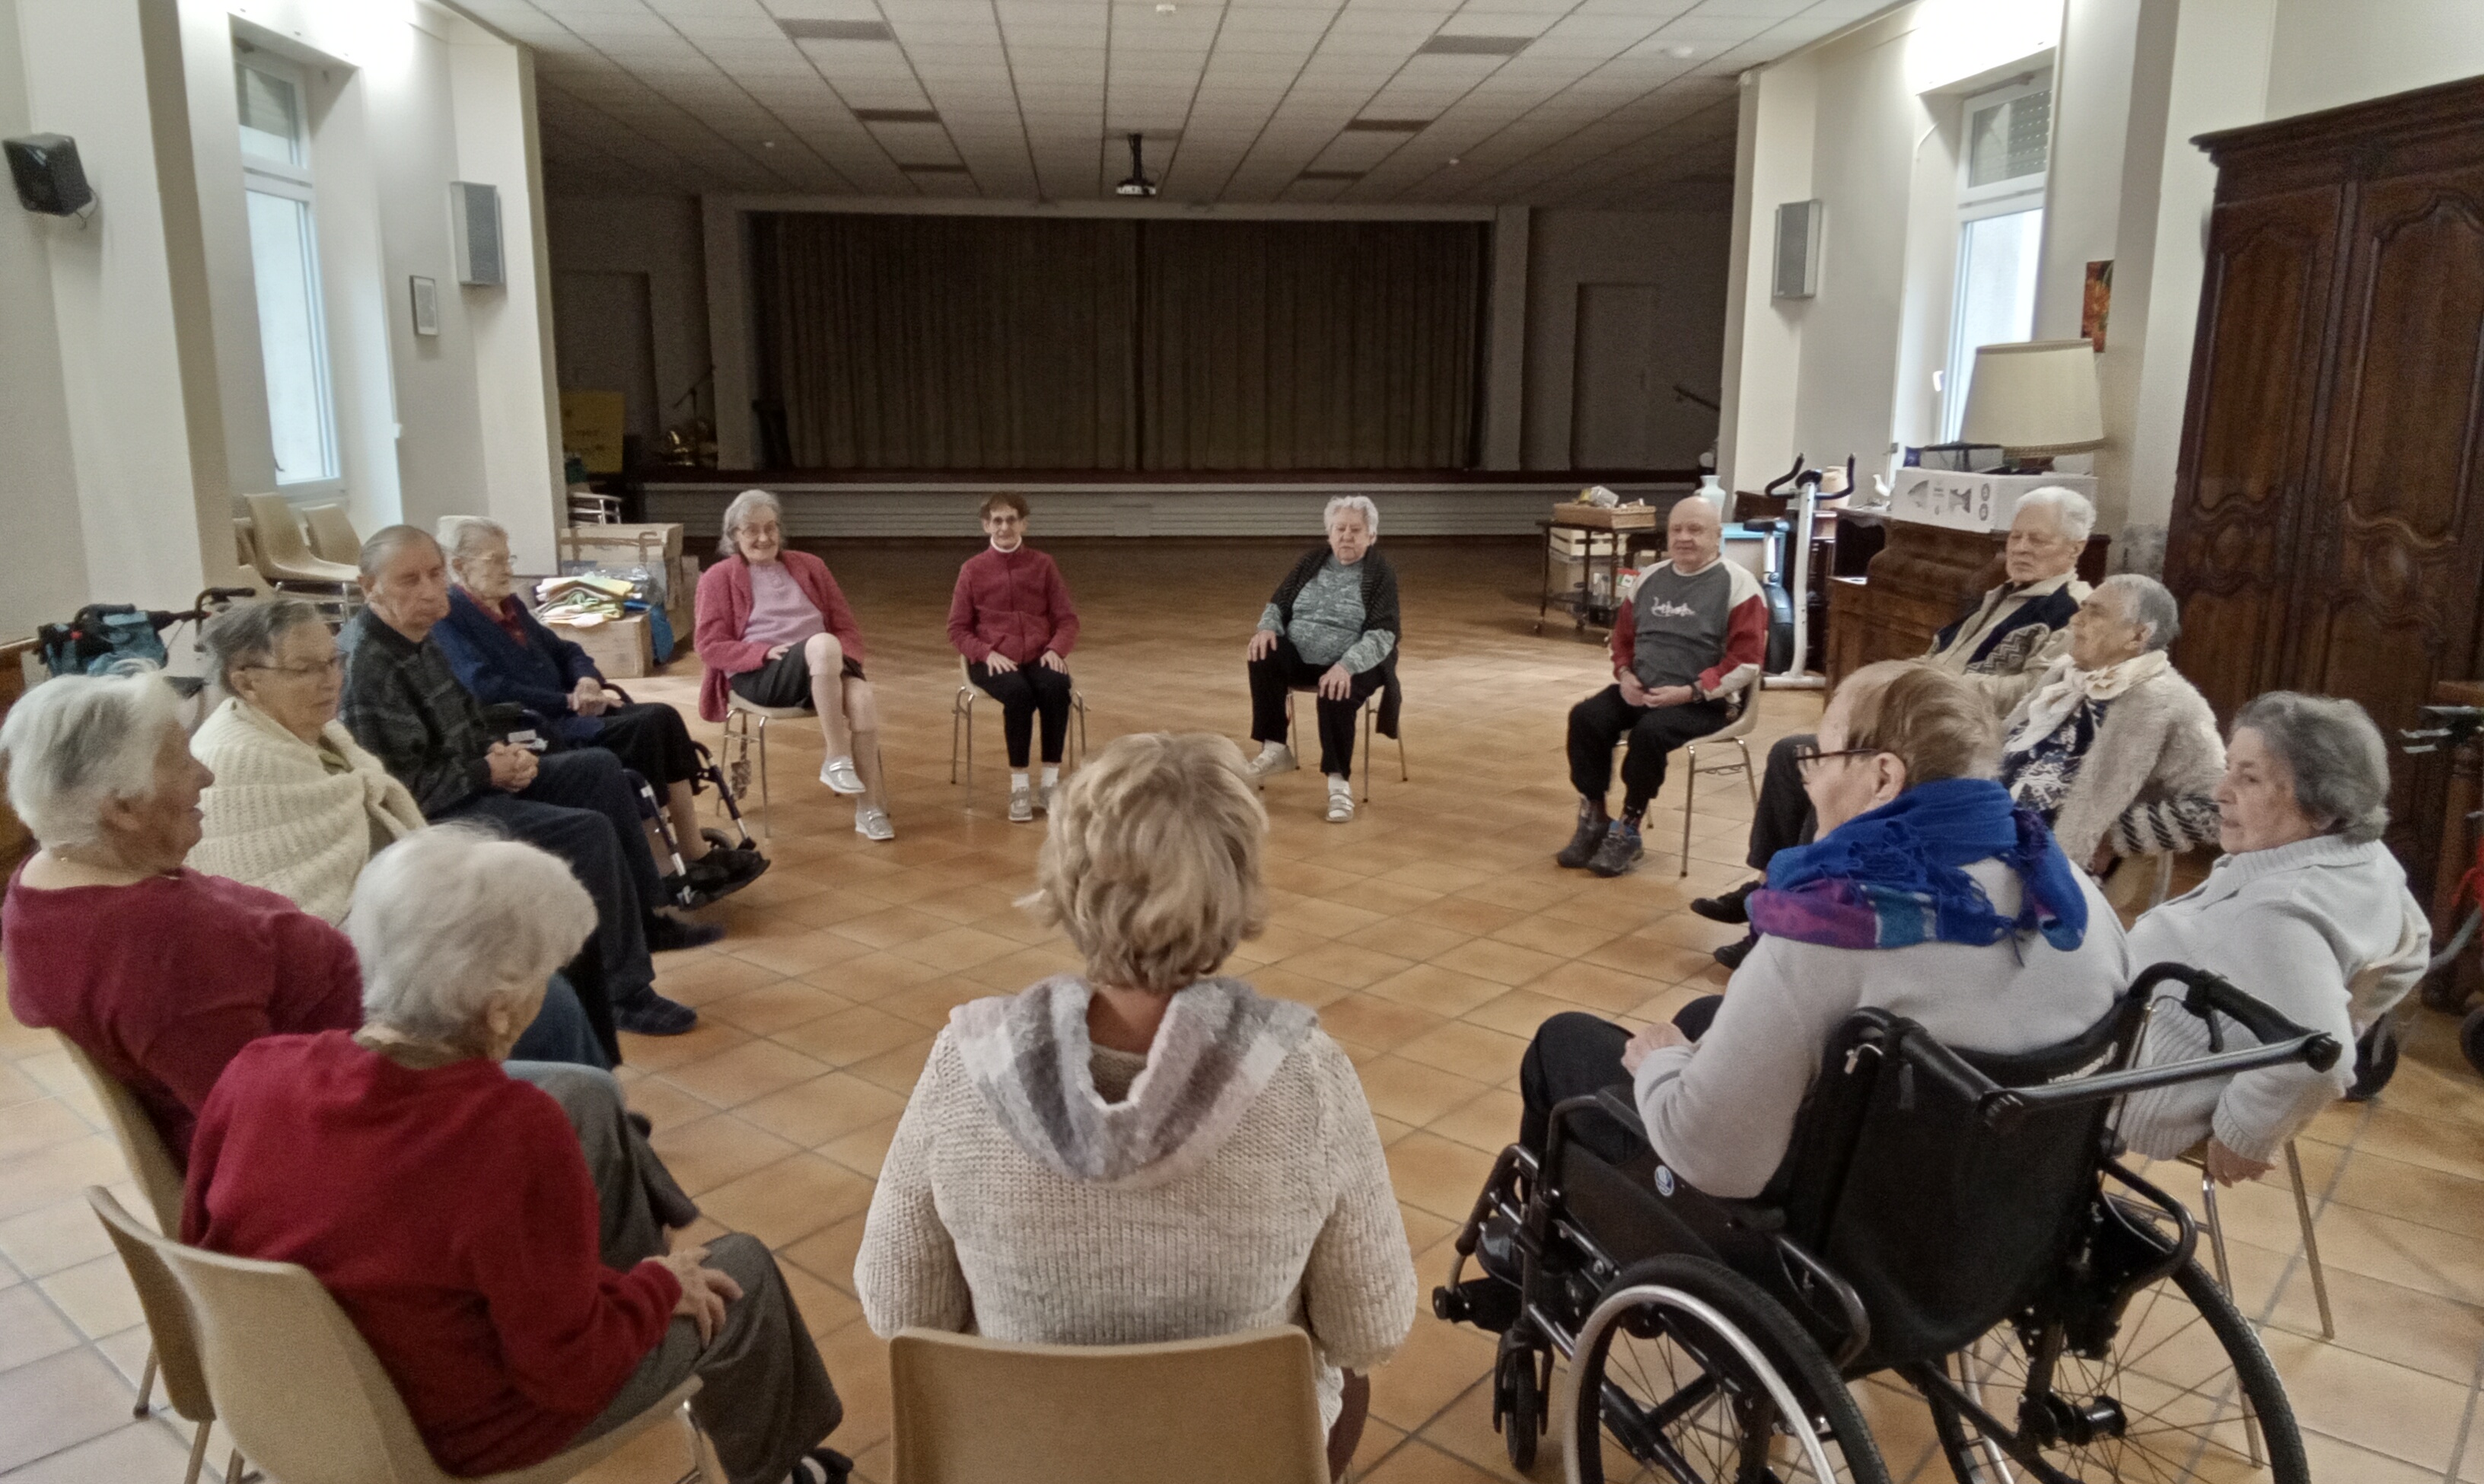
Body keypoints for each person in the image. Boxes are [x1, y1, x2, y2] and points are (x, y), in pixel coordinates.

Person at [183, 827, 848, 1484]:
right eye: (546, 976)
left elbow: (201, 1241)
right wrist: (656, 1289)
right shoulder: (512, 1132)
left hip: (293, 1398)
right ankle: (787, 1472)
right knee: (743, 1271)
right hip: (457, 1429)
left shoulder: (256, 1070)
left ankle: (617, 1286)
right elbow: (566, 1375)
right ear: (500, 1009)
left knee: (590, 1113)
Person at [856, 733, 1416, 1481]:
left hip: (1026, 1458)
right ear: (1236, 881)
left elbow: (897, 1312)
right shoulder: (1306, 1079)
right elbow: (1368, 1332)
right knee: (1349, 1386)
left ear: (1068, 876)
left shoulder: (966, 1067)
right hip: (1235, 1461)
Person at [0, 675, 676, 1256]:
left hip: (351, 1039)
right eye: (182, 761)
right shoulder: (158, 948)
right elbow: (274, 1128)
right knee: (566, 1054)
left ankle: (617, 1188)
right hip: (370, 1100)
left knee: (547, 1006)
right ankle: (615, 1288)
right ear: (121, 807)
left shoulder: (47, 882)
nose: (205, 773)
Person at [1511, 661, 2129, 1202]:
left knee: (1561, 1042)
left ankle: (1524, 1258)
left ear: (1883, 777)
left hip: (1842, 1231)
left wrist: (1660, 1065)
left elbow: (1714, 1160)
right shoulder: (2067, 891)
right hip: (1999, 1207)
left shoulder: (1835, 927)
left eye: (1821, 757)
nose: (1807, 777)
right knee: (1709, 1013)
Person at [186, 597, 611, 1066]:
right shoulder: (232, 759)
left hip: (394, 916)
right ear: (246, 679)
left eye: (333, 660)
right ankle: (574, 1103)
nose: (331, 679)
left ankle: (601, 1101)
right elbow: (290, 910)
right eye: (306, 668)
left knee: (546, 928)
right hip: (346, 966)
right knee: (544, 996)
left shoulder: (321, 733)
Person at [1696, 486, 2098, 965]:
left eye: (2039, 540)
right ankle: (1767, 883)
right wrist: (1905, 679)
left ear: (2075, 549)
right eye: (2015, 537)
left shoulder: (2071, 612)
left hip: (1963, 750)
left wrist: (1934, 686)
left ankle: (1786, 916)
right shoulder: (1997, 597)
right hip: (1918, 726)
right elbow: (1933, 656)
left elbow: (2031, 692)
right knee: (1792, 754)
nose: (2022, 548)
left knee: (1837, 771)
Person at [339, 526, 706, 1037]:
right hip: (439, 814)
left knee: (597, 767)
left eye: (435, 574)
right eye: (409, 580)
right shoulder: (369, 667)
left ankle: (645, 921)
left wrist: (500, 750)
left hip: (471, 776)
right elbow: (404, 788)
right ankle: (623, 991)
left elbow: (471, 713)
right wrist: (488, 770)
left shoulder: (422, 635)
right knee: (586, 830)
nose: (429, 590)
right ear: (369, 586)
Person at [2119, 693, 2429, 1184]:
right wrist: (2358, 1013)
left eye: (2250, 778)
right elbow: (2415, 946)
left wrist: (2242, 1131)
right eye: (2229, 769)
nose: (2220, 791)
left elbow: (2322, 1060)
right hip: (2148, 1039)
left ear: (2322, 807)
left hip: (2129, 1090)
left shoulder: (2278, 912)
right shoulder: (2364, 857)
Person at [430, 515, 766, 900]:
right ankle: (659, 865)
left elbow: (566, 649)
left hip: (574, 709)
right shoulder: (451, 618)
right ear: (459, 566)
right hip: (539, 725)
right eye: (496, 560)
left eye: (509, 557)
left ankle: (693, 851)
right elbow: (484, 686)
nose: (509, 569)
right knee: (643, 730)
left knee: (664, 717)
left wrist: (587, 679)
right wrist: (566, 699)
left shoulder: (509, 606)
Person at [1555, 495, 1767, 877]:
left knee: (1650, 734)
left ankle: (1629, 829)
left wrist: (1691, 691)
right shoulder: (1650, 579)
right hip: (1642, 689)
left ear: (1718, 536)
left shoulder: (1740, 586)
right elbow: (1621, 641)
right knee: (1587, 717)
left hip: (1704, 701)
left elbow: (1747, 662)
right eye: (1677, 530)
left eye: (1695, 530)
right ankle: (1594, 817)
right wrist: (1625, 677)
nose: (1684, 538)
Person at [695, 489, 893, 842]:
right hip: (762, 673)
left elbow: (845, 625)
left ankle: (870, 808)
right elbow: (709, 645)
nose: (763, 537)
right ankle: (835, 756)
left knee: (861, 696)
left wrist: (844, 659)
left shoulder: (810, 565)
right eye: (752, 530)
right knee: (822, 644)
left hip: (825, 665)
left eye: (771, 528)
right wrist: (757, 653)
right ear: (733, 536)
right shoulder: (717, 577)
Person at [1996, 574, 2224, 876]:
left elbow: (2216, 809)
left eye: (2096, 613)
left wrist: (2109, 836)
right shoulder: (2065, 672)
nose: (2076, 621)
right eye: (2082, 608)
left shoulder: (2173, 703)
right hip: (1991, 825)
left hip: (2046, 865)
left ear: (2138, 636)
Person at [1244, 495, 1403, 825]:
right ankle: (1275, 748)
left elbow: (1383, 634)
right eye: (1339, 528)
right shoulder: (1311, 562)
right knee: (1263, 653)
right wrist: (1266, 629)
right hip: (1303, 655)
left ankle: (1338, 782)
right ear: (1329, 533)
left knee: (1335, 689)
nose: (1346, 536)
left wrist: (1345, 665)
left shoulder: (1379, 573)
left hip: (1357, 661)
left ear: (1371, 536)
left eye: (1355, 530)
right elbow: (1278, 604)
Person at [947, 492, 1081, 823]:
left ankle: (1050, 784)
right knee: (1019, 695)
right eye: (997, 520)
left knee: (1054, 688)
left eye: (1011, 519)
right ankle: (1019, 786)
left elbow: (1067, 619)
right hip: (991, 658)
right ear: (986, 526)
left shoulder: (1043, 564)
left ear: (1023, 523)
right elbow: (957, 629)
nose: (1004, 526)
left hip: (1039, 653)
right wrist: (986, 653)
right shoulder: (972, 570)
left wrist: (1056, 650)